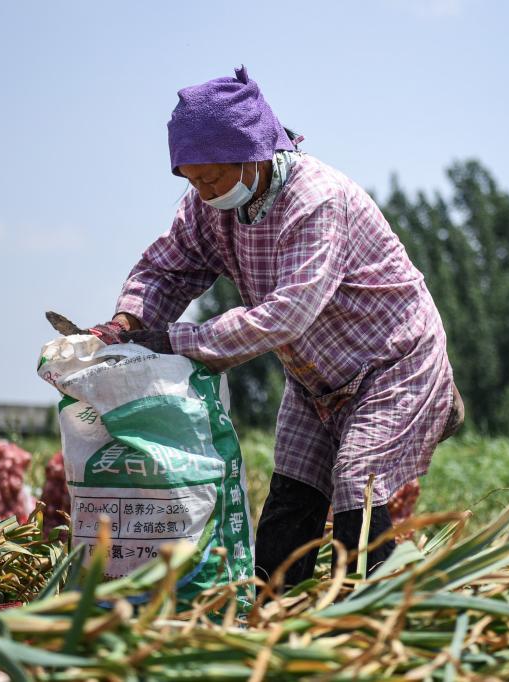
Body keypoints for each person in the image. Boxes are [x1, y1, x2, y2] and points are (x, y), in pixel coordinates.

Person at [88, 66, 463, 587]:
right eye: (192, 179)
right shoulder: (207, 207)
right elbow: (167, 267)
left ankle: (370, 626)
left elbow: (287, 313)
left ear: (254, 153)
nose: (203, 189)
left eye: (213, 177)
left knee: (357, 484)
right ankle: (272, 618)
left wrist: (179, 341)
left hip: (393, 367)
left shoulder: (317, 200)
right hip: (315, 379)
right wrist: (128, 320)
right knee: (292, 493)